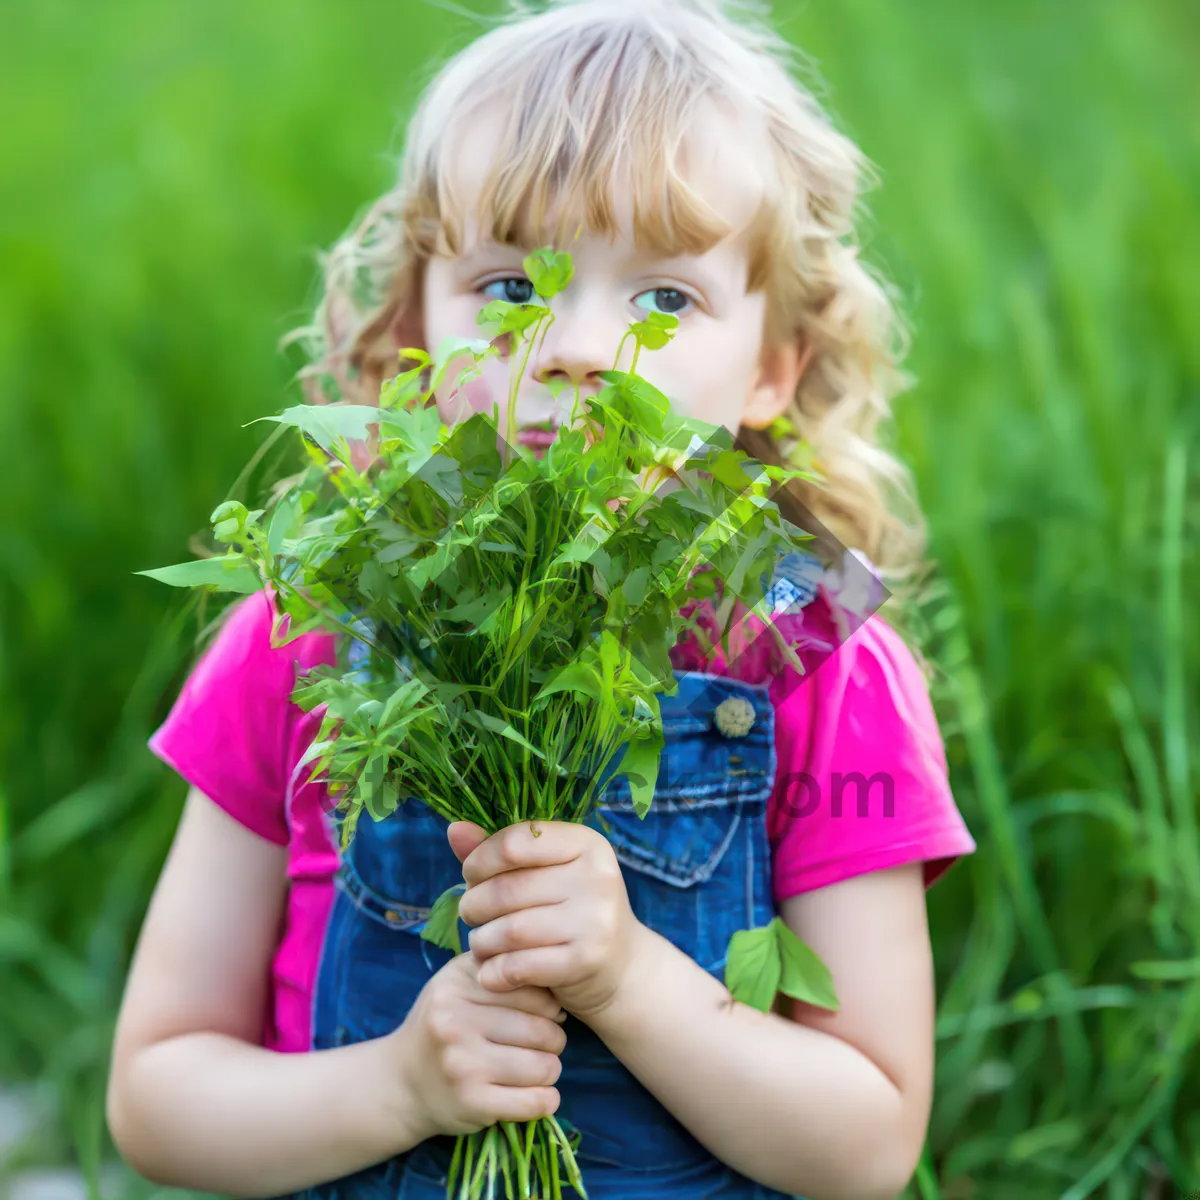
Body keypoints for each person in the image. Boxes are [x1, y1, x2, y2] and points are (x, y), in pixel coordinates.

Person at [106, 1, 977, 1197]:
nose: (572, 347)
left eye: (663, 301)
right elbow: (156, 1095)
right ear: (415, 329)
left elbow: (867, 1146)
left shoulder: (815, 653)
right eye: (510, 284)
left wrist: (627, 978)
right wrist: (398, 1086)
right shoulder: (306, 625)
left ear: (775, 367)